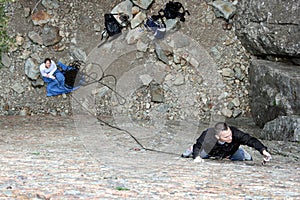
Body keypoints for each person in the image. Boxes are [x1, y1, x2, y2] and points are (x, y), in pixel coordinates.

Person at [184, 122, 272, 163]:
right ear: (217, 136)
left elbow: (251, 140)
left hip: (231, 151)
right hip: (211, 151)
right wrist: (196, 156)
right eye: (226, 137)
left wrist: (263, 150)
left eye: (230, 134)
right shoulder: (208, 134)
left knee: (243, 158)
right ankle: (191, 151)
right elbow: (198, 145)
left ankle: (242, 152)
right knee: (198, 155)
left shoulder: (235, 134)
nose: (230, 137)